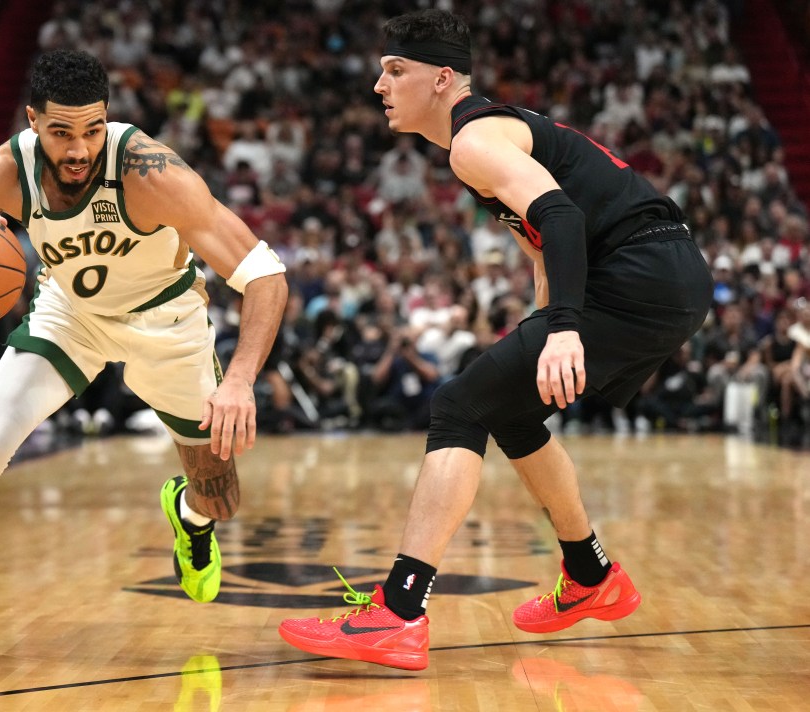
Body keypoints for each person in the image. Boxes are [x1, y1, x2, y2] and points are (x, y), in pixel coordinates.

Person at [279, 10, 712, 670]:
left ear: (442, 78)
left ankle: (398, 612)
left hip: (637, 272)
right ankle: (591, 577)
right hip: (662, 275)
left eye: (396, 70)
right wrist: (541, 329)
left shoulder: (473, 140)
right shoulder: (487, 137)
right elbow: (543, 250)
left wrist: (564, 328)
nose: (379, 85)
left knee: (457, 403)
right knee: (507, 408)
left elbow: (560, 216)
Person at [0, 50, 287, 662]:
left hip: (167, 322)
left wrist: (241, 379)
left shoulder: (152, 172)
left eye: (92, 129)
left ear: (107, 119)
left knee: (221, 496)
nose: (80, 148)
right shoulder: (11, 170)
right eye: (62, 132)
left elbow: (266, 275)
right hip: (71, 317)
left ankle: (189, 517)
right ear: (34, 121)